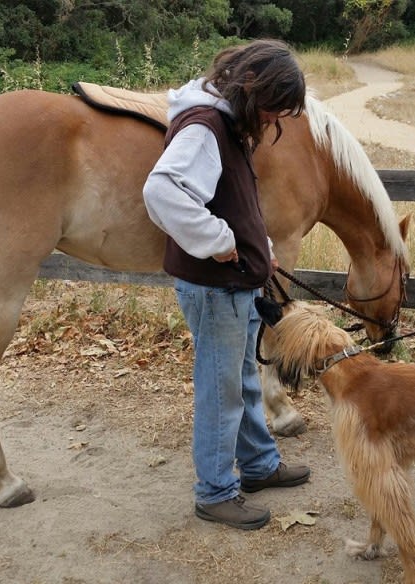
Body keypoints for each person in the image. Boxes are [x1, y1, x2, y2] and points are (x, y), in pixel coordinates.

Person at [142, 39, 311, 530]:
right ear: (251, 89)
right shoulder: (205, 127)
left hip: (234, 287)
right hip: (216, 289)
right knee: (222, 392)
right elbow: (161, 191)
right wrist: (218, 240)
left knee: (241, 382)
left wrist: (261, 250)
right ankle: (215, 491)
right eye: (274, 108)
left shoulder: (230, 124)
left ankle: (258, 466)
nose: (275, 120)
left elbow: (231, 198)